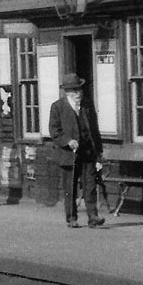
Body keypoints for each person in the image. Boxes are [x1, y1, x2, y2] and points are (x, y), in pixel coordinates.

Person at [48, 73, 105, 229]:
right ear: (67, 92)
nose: (78, 94)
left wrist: (98, 152)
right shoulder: (57, 107)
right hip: (69, 155)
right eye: (74, 91)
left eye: (80, 90)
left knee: (90, 186)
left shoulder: (87, 105)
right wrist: (68, 141)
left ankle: (93, 216)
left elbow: (94, 129)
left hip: (87, 152)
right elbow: (54, 131)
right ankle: (71, 218)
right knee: (70, 188)